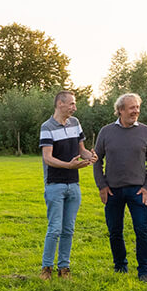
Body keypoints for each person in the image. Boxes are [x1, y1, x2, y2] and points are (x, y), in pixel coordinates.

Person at [92, 93, 147, 281]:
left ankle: (144, 271)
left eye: (137, 107)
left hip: (139, 191)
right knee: (114, 231)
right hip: (113, 190)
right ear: (120, 110)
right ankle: (120, 266)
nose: (136, 111)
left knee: (142, 230)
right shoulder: (106, 132)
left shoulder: (146, 132)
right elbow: (97, 160)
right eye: (131, 108)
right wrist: (102, 186)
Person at [39, 91, 97, 279]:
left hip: (74, 184)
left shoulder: (75, 123)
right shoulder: (47, 127)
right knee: (54, 228)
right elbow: (48, 158)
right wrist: (69, 166)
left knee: (68, 229)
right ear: (60, 104)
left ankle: (64, 268)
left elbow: (82, 150)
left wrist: (90, 156)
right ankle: (46, 268)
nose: (75, 107)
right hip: (55, 184)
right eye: (71, 104)